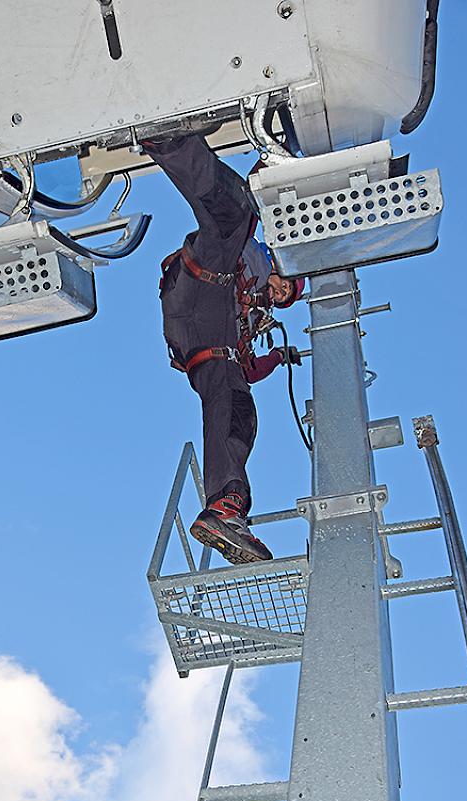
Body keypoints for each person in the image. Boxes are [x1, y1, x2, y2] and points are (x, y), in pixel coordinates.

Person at [143, 134, 305, 565]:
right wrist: (278, 158)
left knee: (237, 404)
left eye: (285, 297)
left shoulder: (255, 319)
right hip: (204, 282)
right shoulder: (256, 252)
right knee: (234, 213)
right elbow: (255, 191)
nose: (279, 292)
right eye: (284, 285)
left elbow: (246, 370)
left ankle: (224, 509)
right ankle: (169, 139)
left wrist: (276, 358)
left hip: (203, 340)